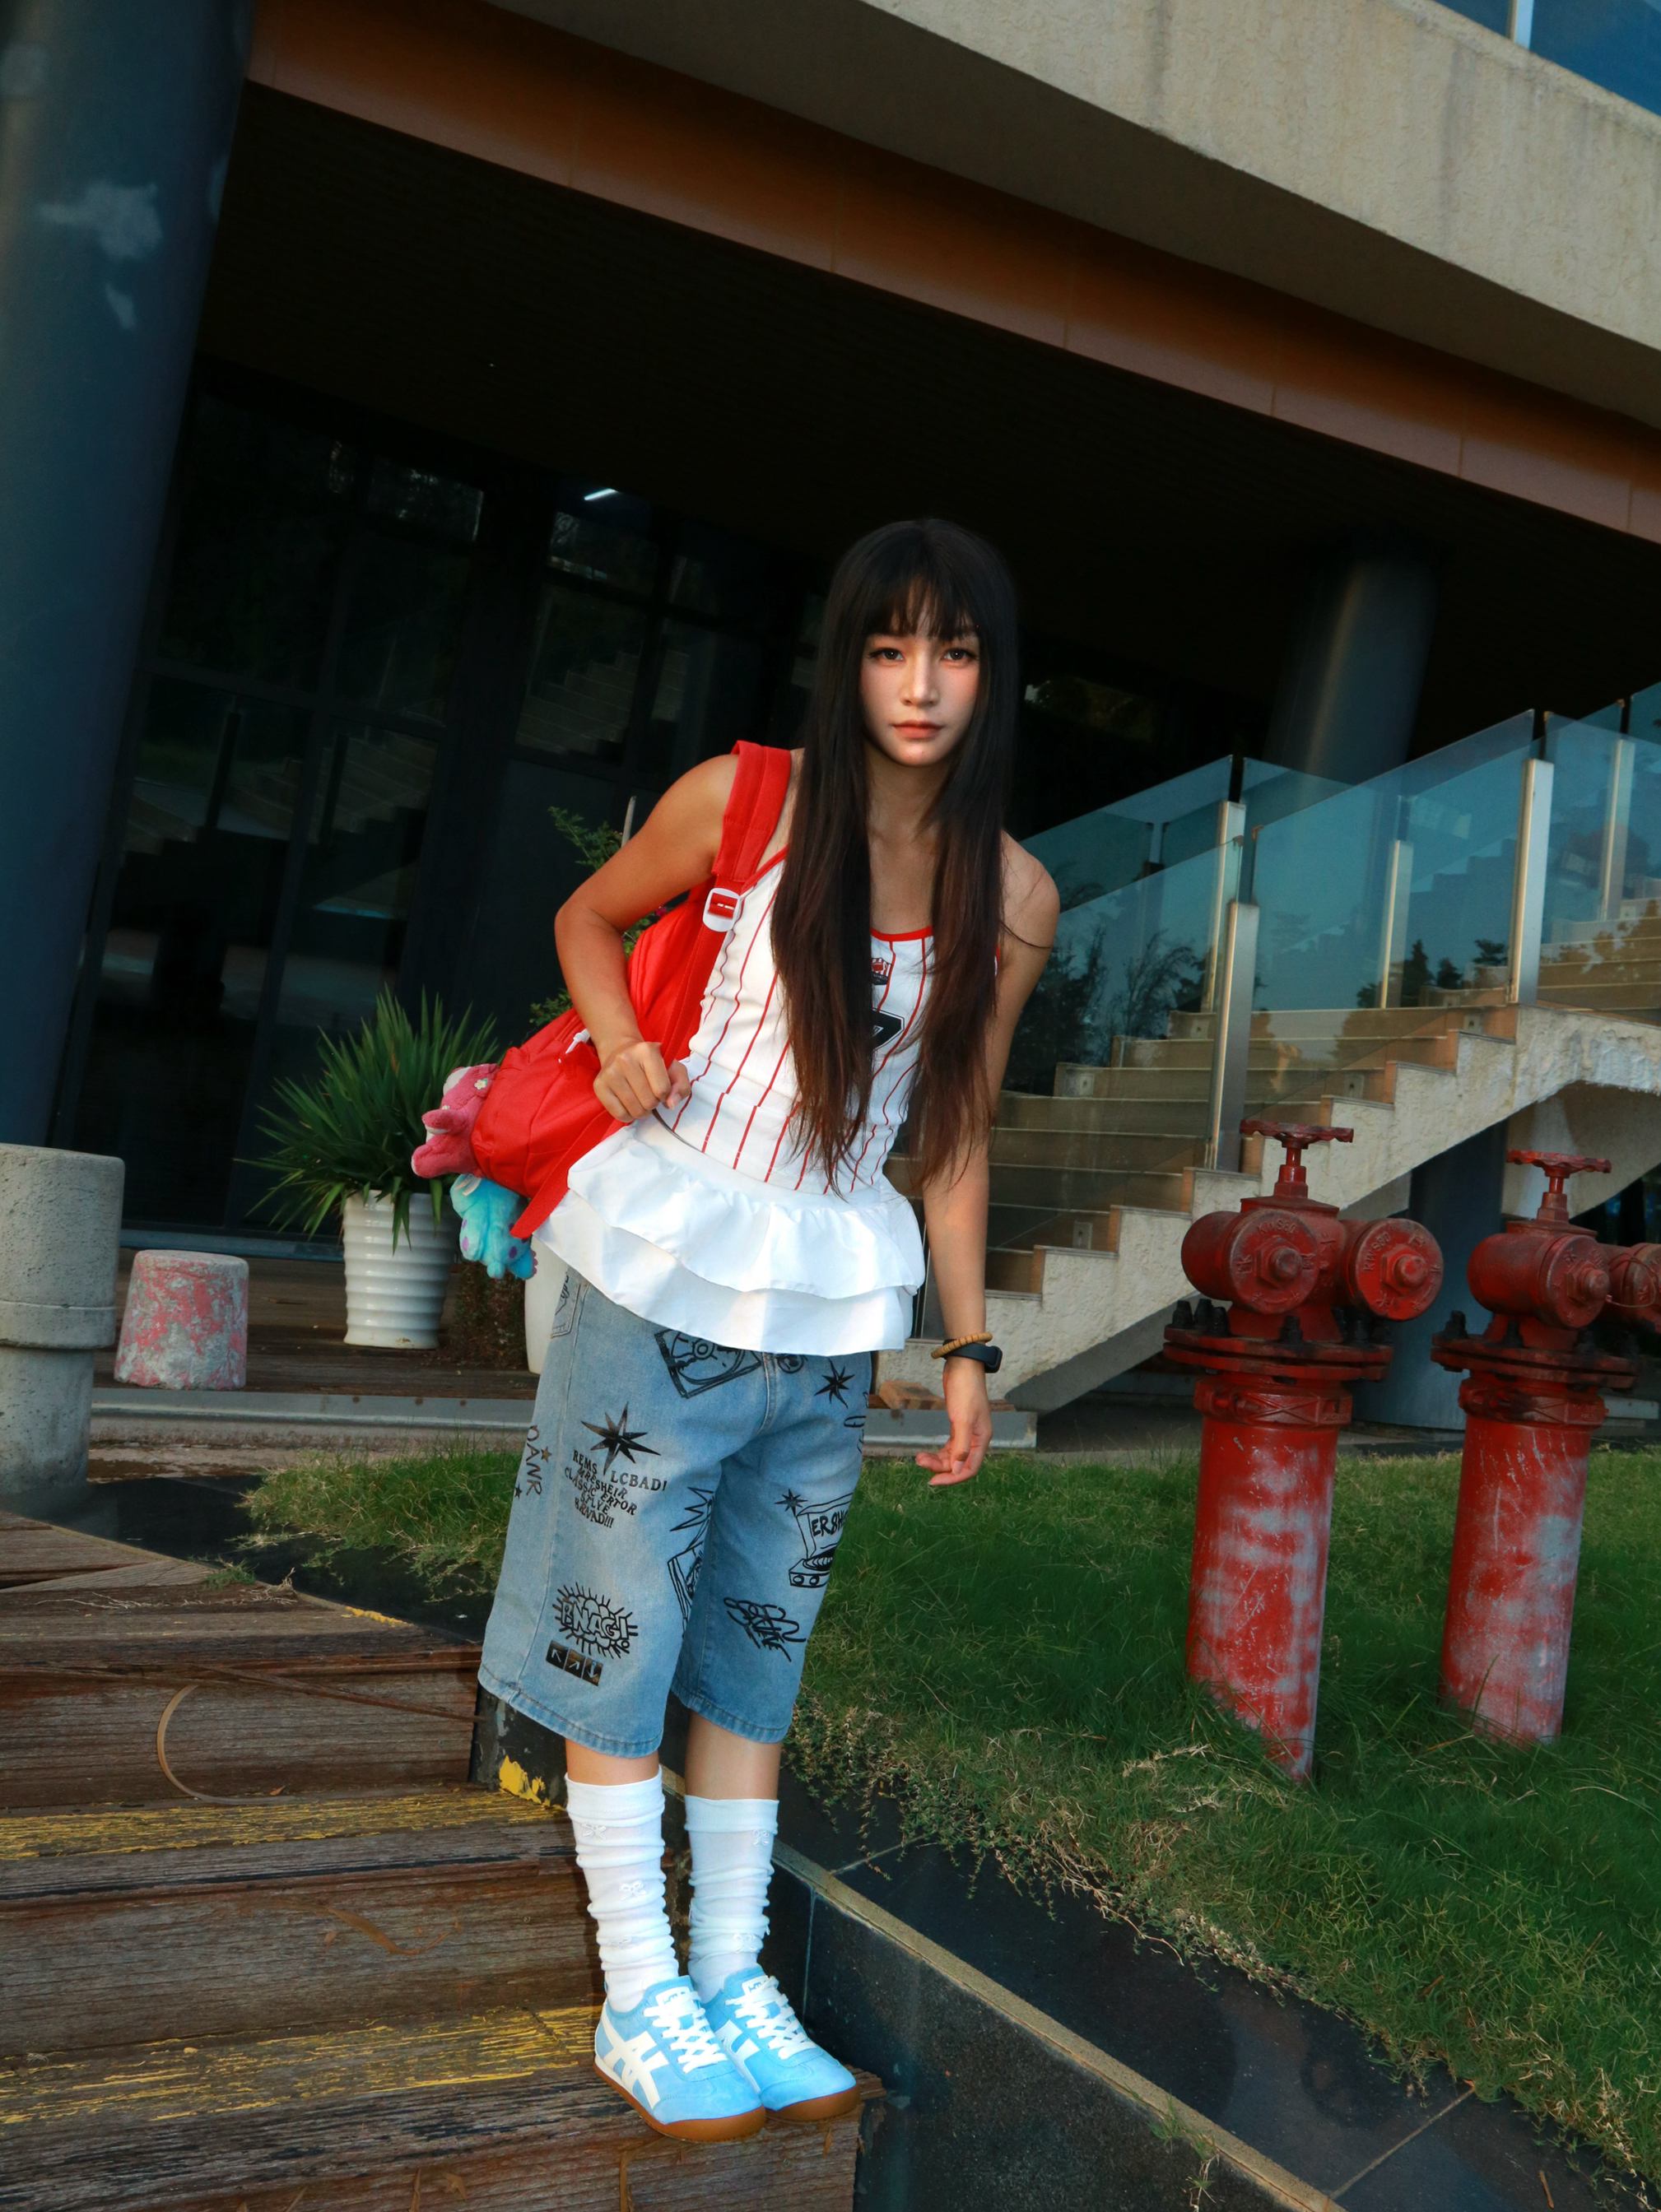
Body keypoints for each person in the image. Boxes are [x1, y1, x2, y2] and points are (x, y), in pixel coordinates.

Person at [477, 517, 1057, 2142]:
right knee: (613, 1631)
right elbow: (586, 919)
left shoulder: (1013, 894)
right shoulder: (746, 803)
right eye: (888, 647)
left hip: (828, 1302)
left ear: (994, 677)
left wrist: (965, 1351)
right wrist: (614, 1042)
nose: (919, 685)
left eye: (953, 652)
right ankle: (638, 1990)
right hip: (661, 1261)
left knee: (756, 1639)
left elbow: (952, 1133)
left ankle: (732, 1978)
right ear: (845, 661)